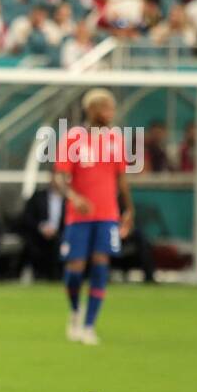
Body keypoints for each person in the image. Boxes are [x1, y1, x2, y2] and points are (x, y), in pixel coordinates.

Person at [54, 88, 135, 344]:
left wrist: (128, 208)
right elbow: (58, 178)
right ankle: (75, 310)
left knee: (101, 264)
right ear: (91, 110)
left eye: (112, 108)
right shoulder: (73, 138)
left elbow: (121, 178)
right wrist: (75, 198)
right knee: (75, 268)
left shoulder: (116, 139)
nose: (111, 113)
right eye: (106, 108)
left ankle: (89, 326)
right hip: (79, 216)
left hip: (107, 214)